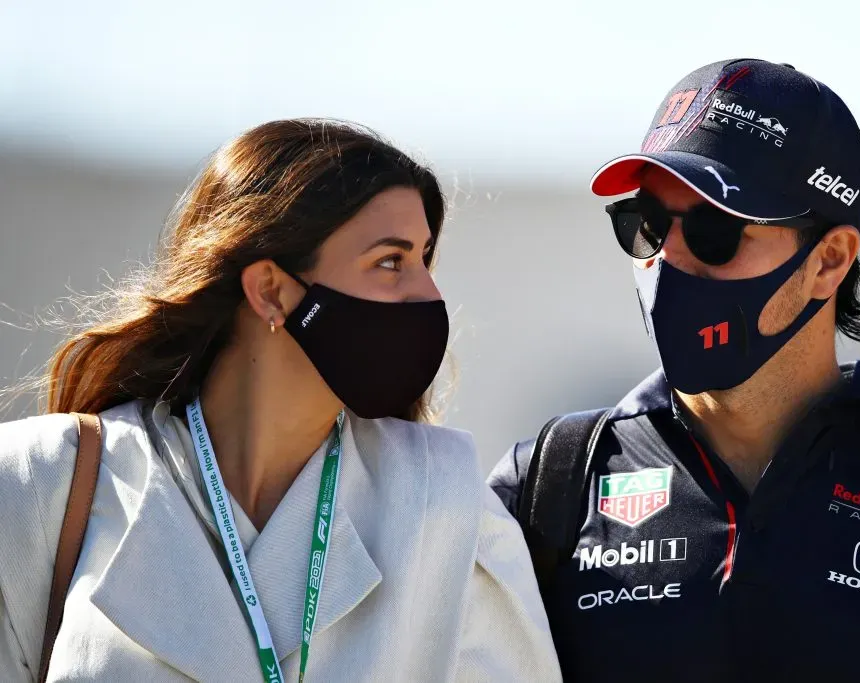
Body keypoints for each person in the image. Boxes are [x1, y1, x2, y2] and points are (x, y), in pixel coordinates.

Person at [488, 58, 860, 682]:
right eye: (648, 227)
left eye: (716, 233)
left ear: (829, 260)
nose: (669, 263)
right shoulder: (549, 486)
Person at [0, 118, 561, 682]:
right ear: (271, 291)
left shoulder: (450, 507)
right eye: (391, 261)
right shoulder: (42, 483)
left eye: (424, 259)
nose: (429, 295)